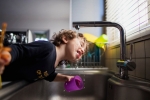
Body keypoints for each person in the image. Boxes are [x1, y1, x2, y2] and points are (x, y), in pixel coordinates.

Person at [0, 29, 88, 83]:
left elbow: (49, 75)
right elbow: (19, 50)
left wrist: (65, 78)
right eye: (81, 44)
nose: (83, 50)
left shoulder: (53, 65)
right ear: (65, 39)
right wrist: (6, 56)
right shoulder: (48, 48)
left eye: (83, 52)